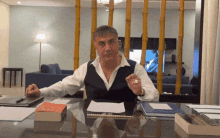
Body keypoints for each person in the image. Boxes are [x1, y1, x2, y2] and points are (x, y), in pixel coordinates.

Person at [26, 25, 159, 101]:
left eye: (111, 42)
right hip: (94, 126)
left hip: (125, 126)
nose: (107, 48)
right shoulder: (87, 68)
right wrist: (40, 92)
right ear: (96, 45)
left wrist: (140, 91)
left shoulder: (135, 68)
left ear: (118, 43)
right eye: (102, 43)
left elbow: (155, 96)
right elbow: (65, 86)